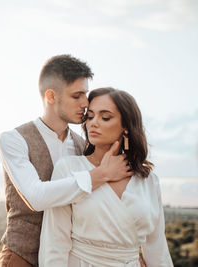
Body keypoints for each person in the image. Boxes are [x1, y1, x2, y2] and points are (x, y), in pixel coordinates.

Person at [0, 55, 133, 267]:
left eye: (85, 94)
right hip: (22, 256)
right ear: (51, 96)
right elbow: (35, 197)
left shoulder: (83, 145)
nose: (86, 103)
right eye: (77, 95)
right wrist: (101, 174)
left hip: (67, 258)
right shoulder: (14, 140)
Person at [39, 87, 173, 267]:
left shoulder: (148, 180)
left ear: (126, 126)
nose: (93, 123)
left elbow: (157, 246)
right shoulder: (70, 168)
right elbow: (54, 241)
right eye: (90, 116)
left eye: (105, 117)